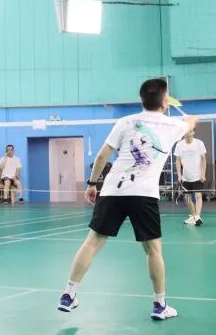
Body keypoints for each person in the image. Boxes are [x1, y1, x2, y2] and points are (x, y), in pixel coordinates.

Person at [58, 78, 196, 321]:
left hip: (113, 190)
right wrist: (190, 119)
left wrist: (92, 184)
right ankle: (160, 305)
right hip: (144, 194)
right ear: (165, 102)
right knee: (153, 250)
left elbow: (102, 156)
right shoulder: (173, 125)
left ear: (142, 100)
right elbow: (192, 122)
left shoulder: (125, 122)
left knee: (92, 242)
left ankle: (68, 295)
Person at [175, 129, 208, 225]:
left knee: (198, 196)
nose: (187, 133)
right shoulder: (179, 145)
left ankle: (197, 217)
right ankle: (194, 217)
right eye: (186, 131)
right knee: (187, 198)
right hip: (185, 177)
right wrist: (179, 175)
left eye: (190, 131)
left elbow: (203, 159)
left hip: (198, 176)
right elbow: (178, 160)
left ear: (193, 132)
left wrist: (203, 174)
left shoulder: (199, 143)